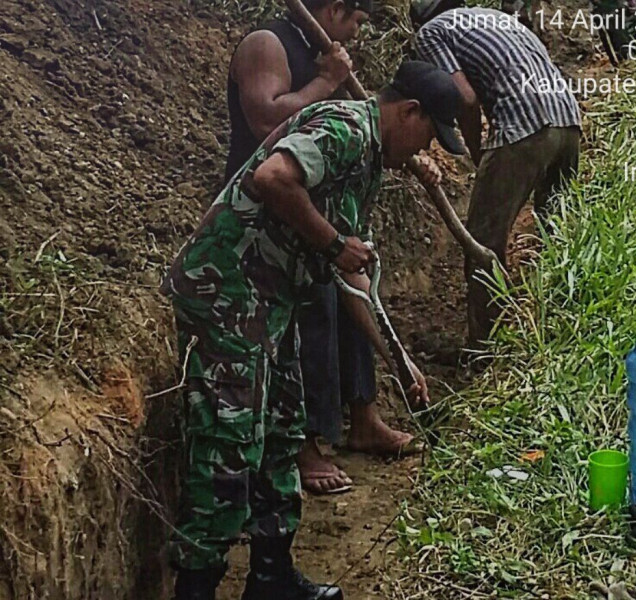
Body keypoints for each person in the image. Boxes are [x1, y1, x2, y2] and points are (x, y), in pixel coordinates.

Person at [162, 60, 465, 600]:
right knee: (228, 444)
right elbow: (272, 177)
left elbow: (354, 277)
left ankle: (272, 578)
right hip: (228, 291)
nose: (422, 151)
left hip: (272, 303)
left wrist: (399, 360)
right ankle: (196, 585)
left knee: (283, 433)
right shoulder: (345, 129)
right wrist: (330, 242)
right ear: (408, 112)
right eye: (427, 136)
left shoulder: (368, 163)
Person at [226, 0, 421, 497]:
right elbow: (264, 122)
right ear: (334, 9)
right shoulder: (266, 44)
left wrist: (398, 356)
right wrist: (326, 83)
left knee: (349, 294)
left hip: (314, 208)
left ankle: (363, 415)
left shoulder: (318, 52)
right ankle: (306, 442)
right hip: (268, 214)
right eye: (355, 20)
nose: (356, 34)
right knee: (310, 316)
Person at [410, 0, 582, 345]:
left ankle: (487, 348)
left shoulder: (432, 32)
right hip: (568, 119)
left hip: (526, 124)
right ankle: (559, 327)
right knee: (558, 234)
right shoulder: (494, 19)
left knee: (481, 240)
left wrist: (477, 151)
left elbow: (467, 99)